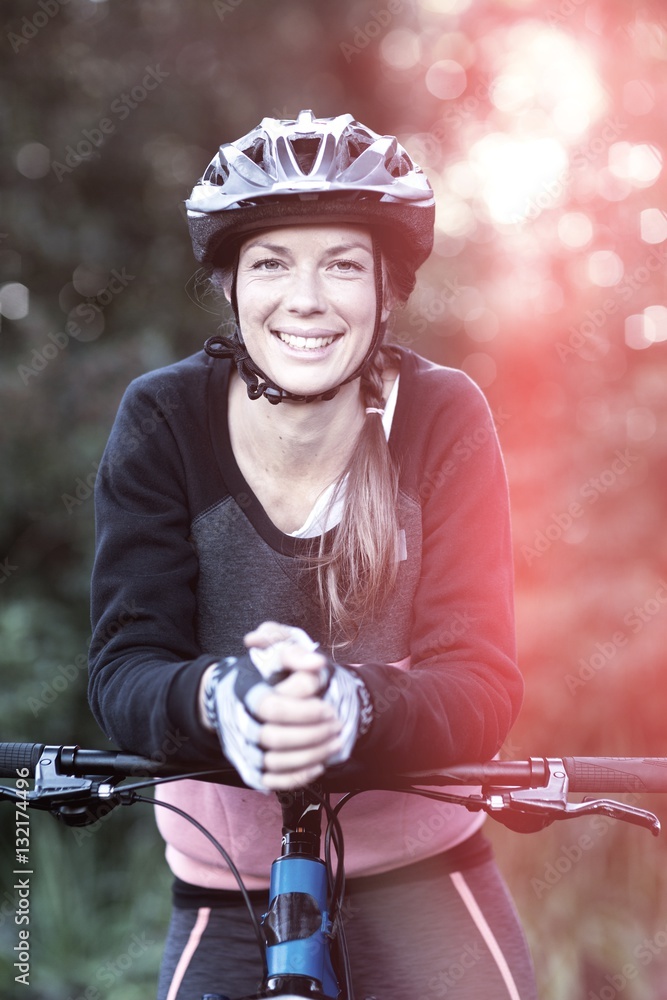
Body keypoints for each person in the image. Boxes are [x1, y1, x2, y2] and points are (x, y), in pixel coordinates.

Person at [88, 109, 537, 1000]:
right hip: (231, 885)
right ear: (231, 288)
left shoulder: (443, 415)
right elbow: (124, 669)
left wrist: (352, 706)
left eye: (341, 263)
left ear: (385, 289)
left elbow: (479, 678)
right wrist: (223, 697)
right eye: (271, 263)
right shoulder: (163, 417)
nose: (305, 298)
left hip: (423, 876)